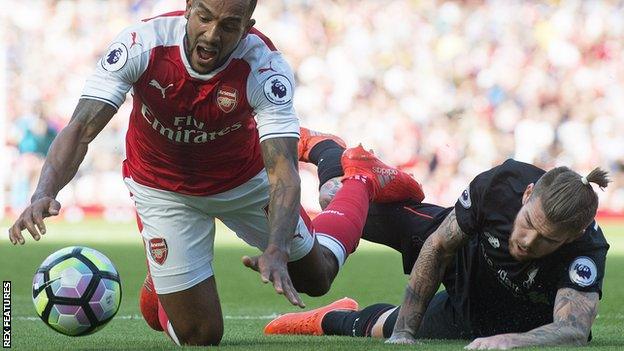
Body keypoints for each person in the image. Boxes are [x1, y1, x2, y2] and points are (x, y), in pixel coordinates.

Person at [7, 1, 424, 346]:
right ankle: (165, 281)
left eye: (228, 25)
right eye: (204, 17)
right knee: (201, 337)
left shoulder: (265, 67)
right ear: (188, 8)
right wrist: (44, 190)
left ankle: (359, 179)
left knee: (318, 279)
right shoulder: (142, 44)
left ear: (248, 26)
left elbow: (281, 171)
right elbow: (80, 128)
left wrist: (276, 248)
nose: (211, 34)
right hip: (162, 189)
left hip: (243, 182)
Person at [265, 139, 610, 349]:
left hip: (497, 318)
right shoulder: (501, 184)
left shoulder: (586, 251)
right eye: (529, 223)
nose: (527, 241)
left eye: (548, 240)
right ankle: (331, 154)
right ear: (528, 194)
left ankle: (326, 318)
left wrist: (513, 341)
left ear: (573, 236)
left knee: (376, 328)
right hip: (466, 253)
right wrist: (405, 334)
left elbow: (573, 329)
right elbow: (439, 247)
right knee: (343, 202)